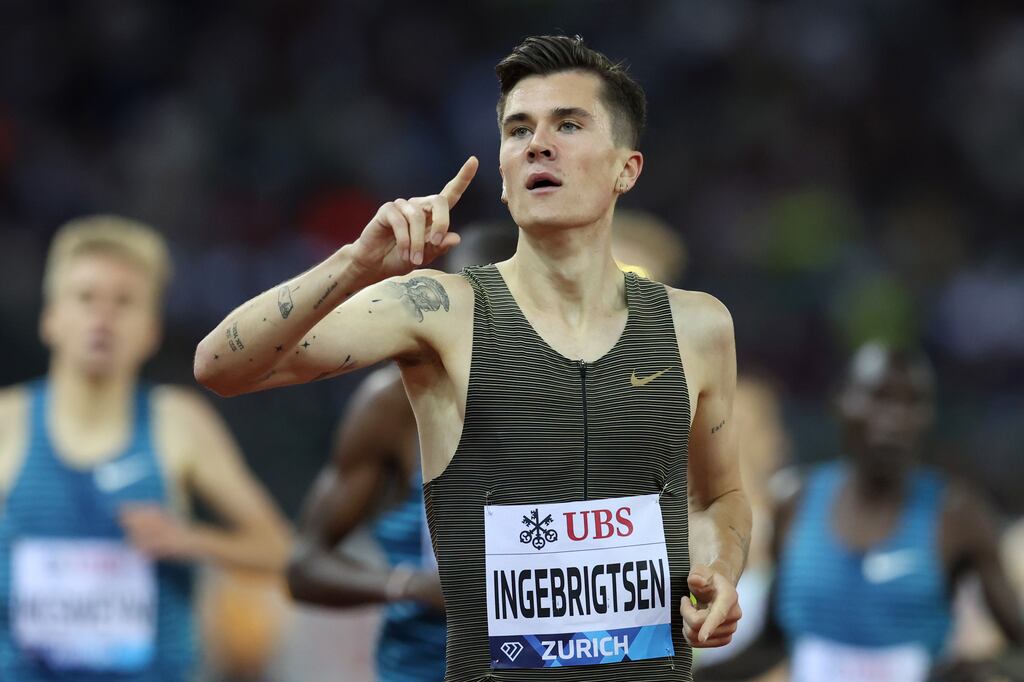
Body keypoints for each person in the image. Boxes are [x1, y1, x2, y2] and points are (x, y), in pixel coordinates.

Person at [196, 35, 750, 681]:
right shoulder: (437, 311)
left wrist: (719, 573)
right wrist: (354, 265)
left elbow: (720, 498)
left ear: (626, 168)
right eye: (518, 130)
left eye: (568, 124)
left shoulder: (698, 325)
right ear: (505, 171)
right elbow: (221, 367)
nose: (537, 144)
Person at [0, 215, 291, 681]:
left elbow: (281, 549)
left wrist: (191, 539)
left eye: (124, 302)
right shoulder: (7, 422)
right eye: (86, 298)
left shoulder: (177, 423)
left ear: (151, 329)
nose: (103, 318)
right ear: (51, 318)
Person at [699, 341, 1024, 682]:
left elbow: (1017, 644)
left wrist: (982, 669)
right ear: (842, 401)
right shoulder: (796, 504)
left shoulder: (957, 515)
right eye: (879, 398)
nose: (895, 419)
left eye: (912, 402)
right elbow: (774, 643)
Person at [286, 224, 518, 682]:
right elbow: (304, 567)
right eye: (468, 305)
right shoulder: (393, 404)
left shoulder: (602, 394)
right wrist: (411, 586)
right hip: (424, 666)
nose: (485, 325)